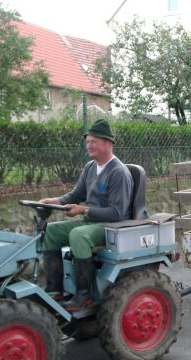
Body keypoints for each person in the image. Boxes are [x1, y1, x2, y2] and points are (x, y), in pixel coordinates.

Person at [39, 119, 133, 311]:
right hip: (91, 220)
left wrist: (84, 210)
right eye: (87, 141)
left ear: (108, 143)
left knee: (78, 235)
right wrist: (54, 201)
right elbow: (76, 195)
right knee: (49, 231)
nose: (88, 145)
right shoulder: (90, 167)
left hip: (111, 226)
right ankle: (54, 290)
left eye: (93, 141)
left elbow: (117, 213)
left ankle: (85, 294)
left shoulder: (119, 172)